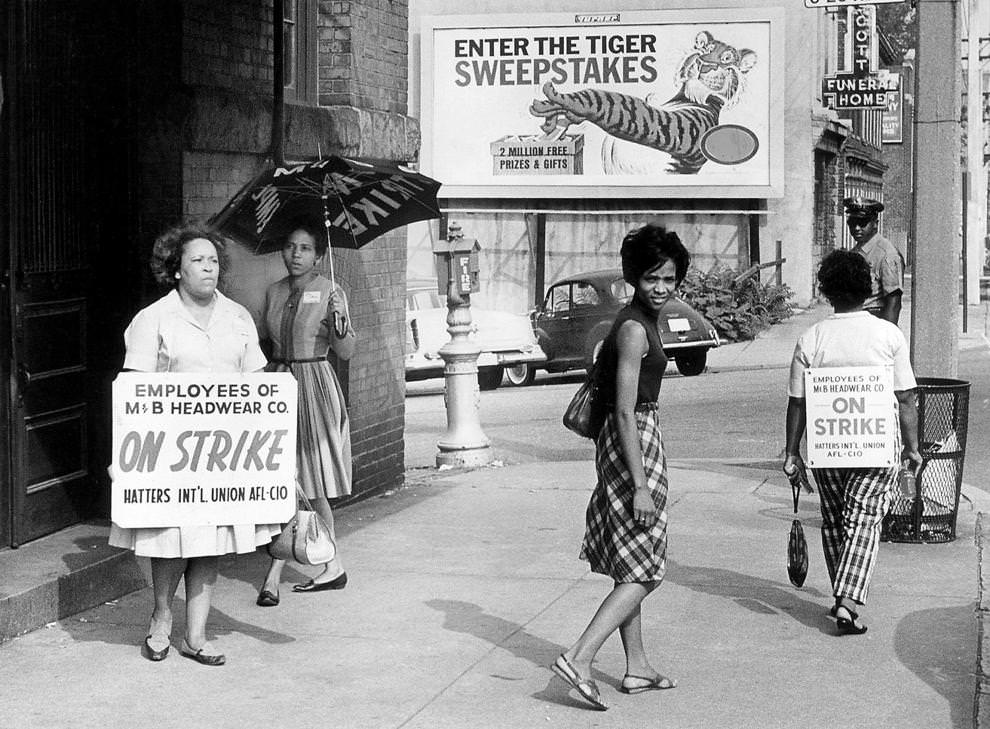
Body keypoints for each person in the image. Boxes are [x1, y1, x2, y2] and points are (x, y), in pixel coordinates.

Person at [109, 224, 277, 665]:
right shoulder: (153, 320)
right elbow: (134, 393)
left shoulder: (238, 317)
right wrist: (123, 458)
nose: (209, 267)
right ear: (176, 270)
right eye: (198, 260)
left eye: (214, 260)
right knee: (171, 540)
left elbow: (257, 385)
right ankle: (163, 617)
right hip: (170, 452)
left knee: (210, 540)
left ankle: (196, 635)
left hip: (225, 453)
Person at [551, 224, 683, 711]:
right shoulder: (631, 329)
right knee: (648, 568)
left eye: (670, 278)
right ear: (634, 277)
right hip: (634, 441)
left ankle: (637, 667)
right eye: (652, 278)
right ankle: (580, 656)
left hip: (627, 440)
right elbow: (626, 410)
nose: (662, 288)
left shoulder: (636, 321)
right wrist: (642, 486)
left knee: (631, 560)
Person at [783, 249, 922, 636]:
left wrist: (792, 451)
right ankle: (846, 602)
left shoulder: (811, 337)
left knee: (834, 519)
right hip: (877, 444)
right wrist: (912, 448)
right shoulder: (887, 335)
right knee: (865, 519)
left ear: (827, 291)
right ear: (869, 289)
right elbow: (906, 398)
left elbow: (798, 402)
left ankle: (841, 594)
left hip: (828, 447)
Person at [255, 221, 355, 606]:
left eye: (306, 248)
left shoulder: (331, 292)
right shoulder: (274, 291)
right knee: (282, 477)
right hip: (279, 384)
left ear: (319, 255)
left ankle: (315, 566)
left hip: (313, 384)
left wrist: (340, 318)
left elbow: (345, 352)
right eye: (290, 246)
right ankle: (318, 565)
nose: (296, 254)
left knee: (309, 481)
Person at [843, 196, 905, 325]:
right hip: (854, 320)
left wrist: (886, 336)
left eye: (863, 223)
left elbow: (893, 301)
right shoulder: (855, 252)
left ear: (875, 223)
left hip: (875, 320)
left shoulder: (887, 254)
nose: (857, 228)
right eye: (852, 223)